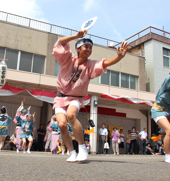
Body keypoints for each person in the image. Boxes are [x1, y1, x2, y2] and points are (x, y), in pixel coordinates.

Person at [53, 30, 129, 162]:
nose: (89, 49)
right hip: (60, 97)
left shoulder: (91, 65)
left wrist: (120, 57)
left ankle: (82, 148)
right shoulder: (67, 58)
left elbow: (105, 63)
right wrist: (76, 36)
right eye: (86, 47)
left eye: (90, 48)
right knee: (62, 124)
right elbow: (60, 42)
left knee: (71, 115)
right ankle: (72, 152)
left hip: (76, 98)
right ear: (78, 48)